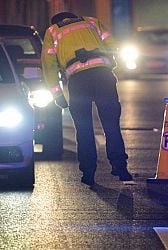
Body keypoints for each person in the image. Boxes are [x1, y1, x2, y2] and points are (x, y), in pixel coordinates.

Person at [41, 12, 133, 186]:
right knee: (111, 125)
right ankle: (121, 168)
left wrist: (57, 94)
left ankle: (88, 173)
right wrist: (114, 68)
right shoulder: (92, 22)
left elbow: (49, 65)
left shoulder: (52, 31)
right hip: (103, 76)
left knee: (83, 129)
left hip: (78, 81)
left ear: (58, 22)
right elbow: (114, 45)